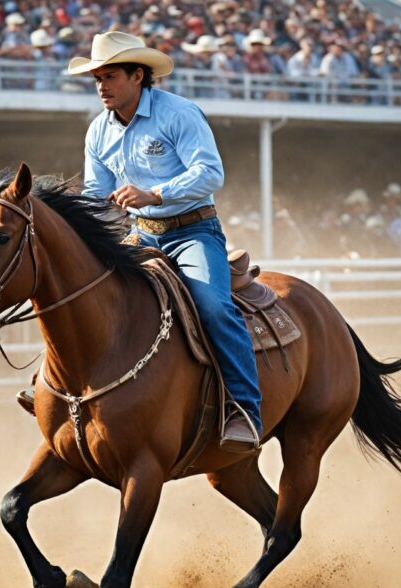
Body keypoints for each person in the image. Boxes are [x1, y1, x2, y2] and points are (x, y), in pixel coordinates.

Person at [66, 31, 262, 451]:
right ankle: (64, 392)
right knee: (90, 297)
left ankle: (243, 410)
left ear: (138, 75)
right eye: (96, 78)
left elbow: (210, 173)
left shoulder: (179, 113)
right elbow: (95, 198)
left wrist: (154, 194)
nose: (102, 85)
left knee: (213, 306)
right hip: (140, 235)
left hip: (193, 231)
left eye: (110, 76)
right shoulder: (98, 131)